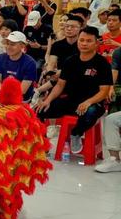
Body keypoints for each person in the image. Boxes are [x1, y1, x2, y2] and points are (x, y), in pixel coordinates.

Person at [36, 26, 112, 154]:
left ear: (96, 43)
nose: (84, 44)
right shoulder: (70, 61)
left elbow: (104, 91)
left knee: (90, 114)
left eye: (88, 41)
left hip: (93, 103)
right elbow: (60, 85)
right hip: (71, 101)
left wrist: (88, 102)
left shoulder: (102, 63)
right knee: (40, 110)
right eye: (81, 40)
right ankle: (43, 146)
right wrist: (47, 100)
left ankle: (76, 134)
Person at [0, 31, 36, 112]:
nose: (8, 47)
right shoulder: (0, 58)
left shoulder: (30, 63)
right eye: (7, 44)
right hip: (2, 92)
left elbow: (22, 90)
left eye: (12, 44)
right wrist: (1, 94)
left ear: (22, 46)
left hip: (21, 97)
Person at [95, 47, 121, 173]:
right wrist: (111, 88)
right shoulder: (119, 52)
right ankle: (115, 160)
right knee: (111, 119)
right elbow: (114, 72)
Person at [23, 10, 54, 74]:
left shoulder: (48, 29)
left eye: (35, 23)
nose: (33, 26)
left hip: (41, 56)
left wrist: (40, 46)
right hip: (29, 54)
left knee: (36, 69)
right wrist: (26, 43)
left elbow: (52, 47)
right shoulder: (27, 28)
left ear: (39, 19)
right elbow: (24, 41)